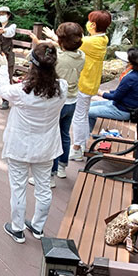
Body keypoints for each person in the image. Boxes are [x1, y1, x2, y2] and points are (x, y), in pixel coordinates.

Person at [0, 44, 67, 243]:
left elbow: (1, 90)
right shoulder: (62, 87)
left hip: (19, 146)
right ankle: (37, 226)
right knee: (43, 188)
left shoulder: (22, 91)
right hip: (46, 147)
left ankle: (17, 228)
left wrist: (3, 67)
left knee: (18, 187)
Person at [45, 10, 112, 161]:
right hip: (91, 83)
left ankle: (77, 148)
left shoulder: (91, 42)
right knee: (82, 114)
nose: (88, 24)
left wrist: (52, 36)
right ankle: (80, 146)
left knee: (79, 117)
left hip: (84, 84)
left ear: (93, 25)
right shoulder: (103, 39)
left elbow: (70, 43)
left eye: (90, 21)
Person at [28, 23, 85, 186]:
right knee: (64, 134)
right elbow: (62, 49)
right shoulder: (81, 55)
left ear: (61, 41)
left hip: (57, 102)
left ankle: (49, 176)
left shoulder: (59, 58)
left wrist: (41, 44)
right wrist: (55, 40)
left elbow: (48, 57)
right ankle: (61, 167)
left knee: (51, 137)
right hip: (72, 100)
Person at [89, 47, 138, 131]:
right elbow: (122, 92)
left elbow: (116, 96)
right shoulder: (136, 75)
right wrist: (109, 91)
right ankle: (90, 133)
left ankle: (90, 135)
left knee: (88, 112)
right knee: (89, 106)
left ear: (130, 63)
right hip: (121, 105)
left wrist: (100, 93)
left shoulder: (130, 78)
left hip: (123, 111)